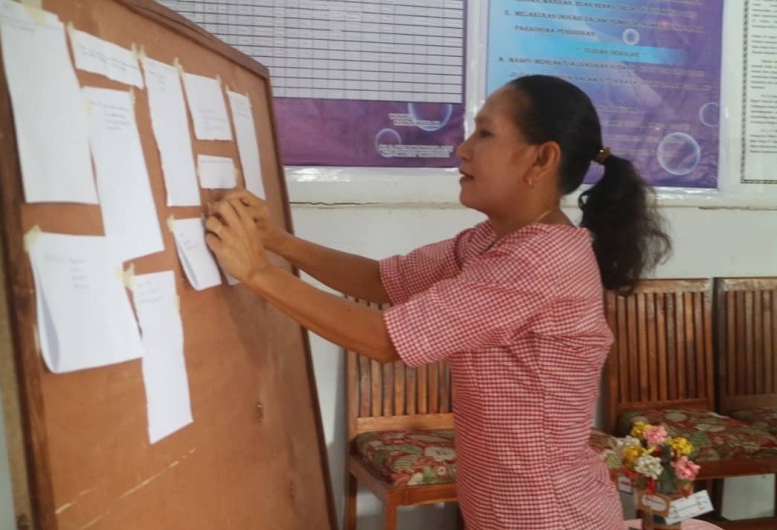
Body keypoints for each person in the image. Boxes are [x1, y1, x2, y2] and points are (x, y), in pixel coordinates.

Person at [204, 74, 671, 529]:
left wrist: (257, 272)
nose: (462, 149)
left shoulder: (540, 261)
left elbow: (383, 339)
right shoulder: (491, 240)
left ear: (541, 159)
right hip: (503, 506)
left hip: (547, 515)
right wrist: (278, 242)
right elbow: (380, 280)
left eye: (485, 133)